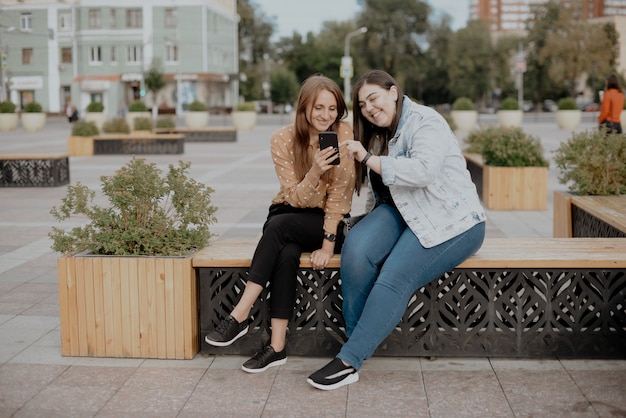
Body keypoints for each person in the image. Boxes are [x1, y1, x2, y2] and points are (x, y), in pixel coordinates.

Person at [307, 70, 487, 390]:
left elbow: (423, 171)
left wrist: (369, 159)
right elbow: (385, 194)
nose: (369, 108)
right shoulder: (380, 130)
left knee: (395, 275)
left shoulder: (424, 121)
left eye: (374, 98)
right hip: (403, 212)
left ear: (393, 92)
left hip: (451, 219)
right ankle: (359, 338)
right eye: (362, 105)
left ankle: (349, 361)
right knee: (356, 249)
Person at [205, 74, 356, 373]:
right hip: (289, 213)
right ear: (304, 108)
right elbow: (293, 198)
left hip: (328, 223)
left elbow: (340, 196)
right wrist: (314, 171)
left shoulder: (344, 135)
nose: (326, 115)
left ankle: (240, 313)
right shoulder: (282, 139)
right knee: (285, 250)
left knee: (279, 227)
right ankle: (276, 347)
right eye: (318, 108)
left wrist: (327, 245)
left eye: (332, 108)